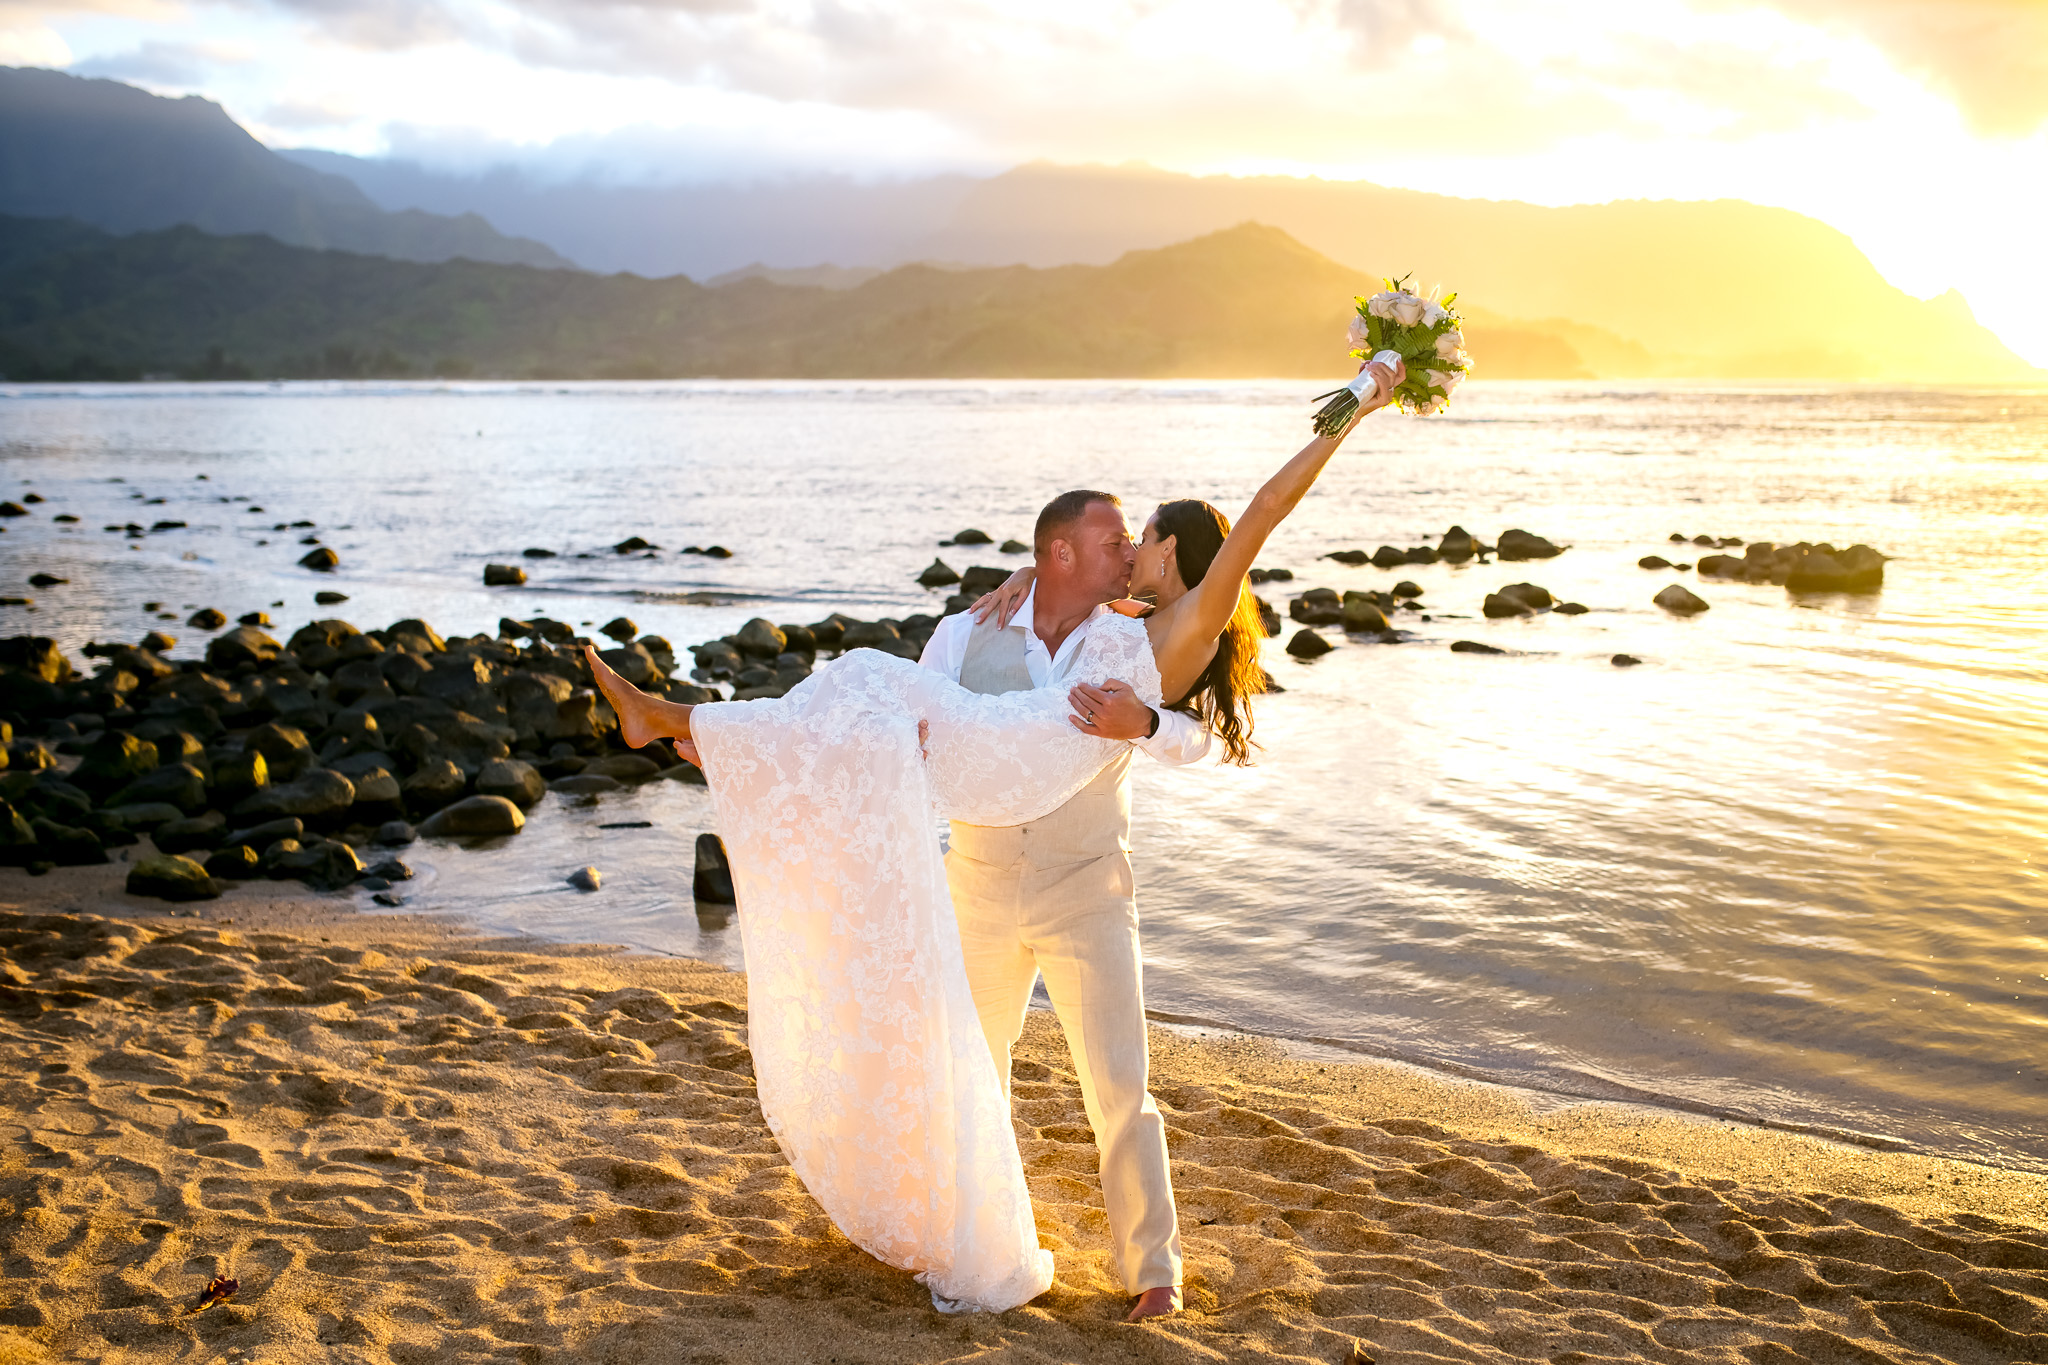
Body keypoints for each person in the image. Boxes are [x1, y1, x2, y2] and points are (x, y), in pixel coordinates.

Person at [584, 355, 1403, 1317]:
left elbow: (1261, 516)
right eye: (1112, 536)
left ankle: (1153, 1271)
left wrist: (1359, 400)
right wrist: (779, 765)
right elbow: (909, 753)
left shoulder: (1152, 640)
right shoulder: (972, 630)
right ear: (1061, 553)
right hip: (975, 877)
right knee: (965, 1060)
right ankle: (976, 1238)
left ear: (1170, 558)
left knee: (1120, 1088)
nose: (1128, 548)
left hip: (1085, 884)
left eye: (1138, 537)